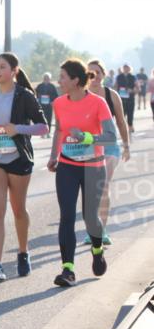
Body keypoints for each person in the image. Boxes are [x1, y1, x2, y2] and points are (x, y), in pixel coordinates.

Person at [0, 52, 49, 282]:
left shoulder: (24, 96)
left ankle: (23, 253)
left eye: (2, 67)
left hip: (18, 158)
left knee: (18, 210)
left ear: (14, 71)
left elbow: (43, 127)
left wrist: (18, 129)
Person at [48, 59, 117, 287]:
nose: (59, 81)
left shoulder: (98, 103)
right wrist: (54, 155)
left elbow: (110, 137)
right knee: (66, 216)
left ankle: (97, 249)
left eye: (63, 77)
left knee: (90, 217)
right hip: (67, 166)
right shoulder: (59, 103)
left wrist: (87, 138)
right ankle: (68, 269)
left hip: (93, 167)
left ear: (75, 80)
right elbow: (59, 130)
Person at [87, 60, 130, 246]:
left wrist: (126, 145)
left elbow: (120, 121)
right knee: (90, 189)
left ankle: (101, 231)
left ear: (103, 75)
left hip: (109, 146)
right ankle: (92, 229)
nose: (95, 76)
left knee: (102, 185)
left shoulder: (111, 95)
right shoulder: (80, 96)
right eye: (90, 73)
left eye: (98, 72)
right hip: (88, 147)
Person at [115, 64, 138, 134]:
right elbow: (115, 86)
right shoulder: (119, 77)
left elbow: (137, 87)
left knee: (130, 113)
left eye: (127, 67)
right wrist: (116, 93)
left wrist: (132, 90)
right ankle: (123, 127)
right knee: (122, 114)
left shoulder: (133, 77)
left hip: (130, 98)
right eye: (124, 67)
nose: (126, 69)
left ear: (129, 68)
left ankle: (130, 126)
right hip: (121, 98)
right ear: (123, 68)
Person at [36, 72, 59, 138]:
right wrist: (38, 99)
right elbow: (36, 94)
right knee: (42, 119)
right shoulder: (39, 86)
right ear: (43, 78)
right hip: (41, 105)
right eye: (45, 78)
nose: (46, 79)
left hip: (49, 105)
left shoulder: (52, 86)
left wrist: (52, 101)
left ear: (49, 79)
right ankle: (42, 133)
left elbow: (55, 95)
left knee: (49, 119)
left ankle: (48, 133)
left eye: (47, 78)